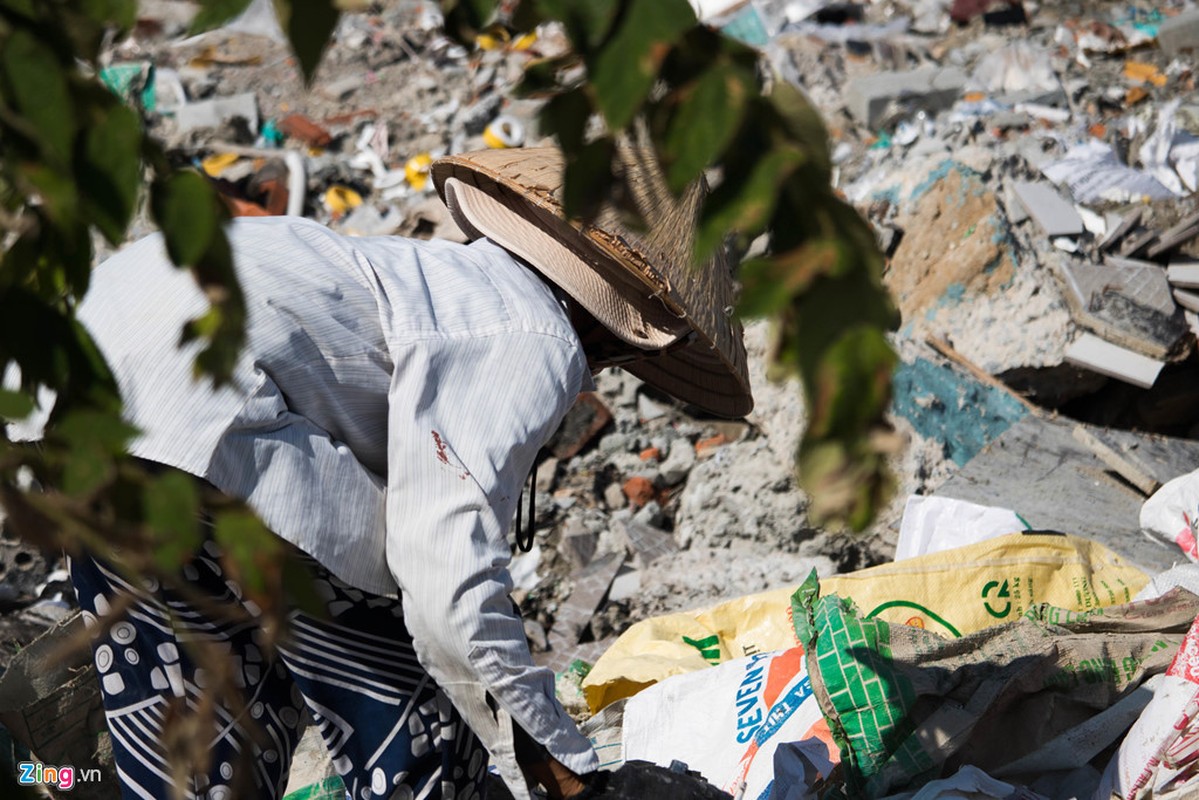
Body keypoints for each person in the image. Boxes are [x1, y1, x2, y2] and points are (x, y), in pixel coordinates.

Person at [62, 147, 752, 799]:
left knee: (213, 718)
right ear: (630, 326)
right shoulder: (534, 335)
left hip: (76, 399)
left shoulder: (445, 280)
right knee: (418, 735)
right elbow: (444, 569)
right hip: (207, 411)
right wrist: (566, 767)